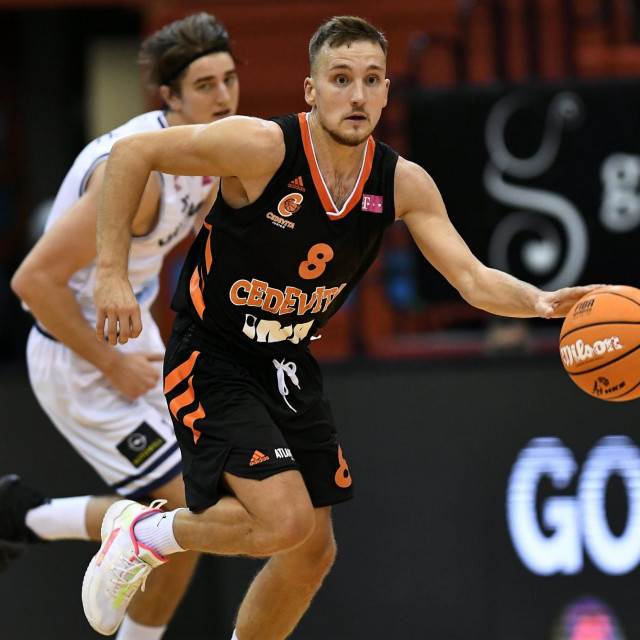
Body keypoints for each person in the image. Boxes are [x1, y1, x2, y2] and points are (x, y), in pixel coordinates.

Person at [85, 15, 600, 640]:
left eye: (372, 80)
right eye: (341, 79)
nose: (357, 95)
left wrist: (543, 303)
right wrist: (110, 271)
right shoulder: (262, 147)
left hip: (288, 362)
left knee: (311, 554)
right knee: (283, 522)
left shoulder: (402, 182)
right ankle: (143, 533)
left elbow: (472, 278)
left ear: (386, 93)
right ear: (311, 90)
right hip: (213, 355)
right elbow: (133, 152)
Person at [6, 12, 240, 639]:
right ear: (170, 97)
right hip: (76, 354)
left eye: (229, 79)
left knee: (205, 514)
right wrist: (111, 362)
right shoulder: (136, 177)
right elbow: (33, 282)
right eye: (206, 85)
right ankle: (30, 519)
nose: (223, 97)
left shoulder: (215, 152)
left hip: (136, 342)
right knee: (187, 510)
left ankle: (26, 517)